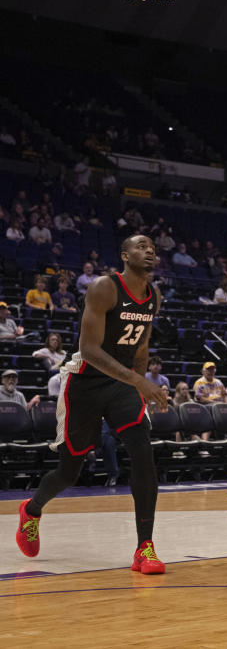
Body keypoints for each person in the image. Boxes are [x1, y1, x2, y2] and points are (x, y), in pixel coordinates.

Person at [14, 235, 168, 573]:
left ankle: (145, 547)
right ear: (125, 255)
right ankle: (33, 509)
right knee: (70, 471)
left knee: (143, 453)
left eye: (153, 249)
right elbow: (90, 349)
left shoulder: (153, 296)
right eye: (142, 247)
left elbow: (141, 350)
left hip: (123, 383)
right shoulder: (104, 287)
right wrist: (140, 381)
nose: (150, 252)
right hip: (84, 383)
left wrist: (139, 388)